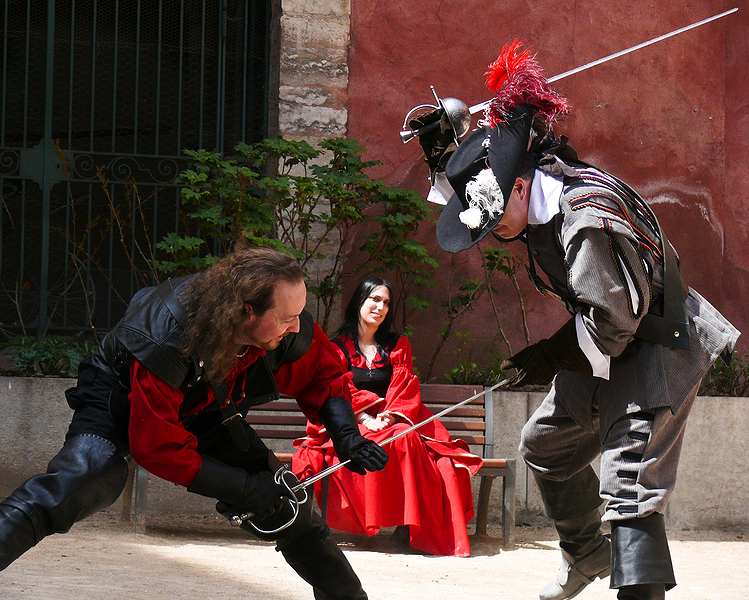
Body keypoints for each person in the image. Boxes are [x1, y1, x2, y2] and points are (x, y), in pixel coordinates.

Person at [419, 41, 740, 600]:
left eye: (494, 220)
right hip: (607, 340)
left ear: (519, 186)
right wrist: (446, 148)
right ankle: (588, 557)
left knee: (629, 481)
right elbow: (470, 180)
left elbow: (613, 324)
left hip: (656, 343)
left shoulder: (582, 217)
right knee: (544, 444)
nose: (492, 232)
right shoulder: (529, 188)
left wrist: (552, 355)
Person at [0, 245, 389, 600]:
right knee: (87, 478)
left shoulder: (279, 323)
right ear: (246, 311)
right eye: (287, 318)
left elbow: (323, 375)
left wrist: (346, 437)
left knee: (285, 501)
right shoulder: (167, 332)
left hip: (207, 405)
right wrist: (243, 488)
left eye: (297, 315)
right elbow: (157, 445)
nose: (297, 326)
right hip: (120, 399)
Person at [292, 276, 483, 557]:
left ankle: (407, 529)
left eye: (385, 303)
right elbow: (337, 389)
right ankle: (366, 522)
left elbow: (403, 386)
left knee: (405, 441)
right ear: (359, 301)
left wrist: (390, 417)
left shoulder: (396, 345)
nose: (380, 307)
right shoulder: (336, 347)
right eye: (374, 299)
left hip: (392, 419)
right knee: (366, 443)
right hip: (350, 422)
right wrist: (364, 419)